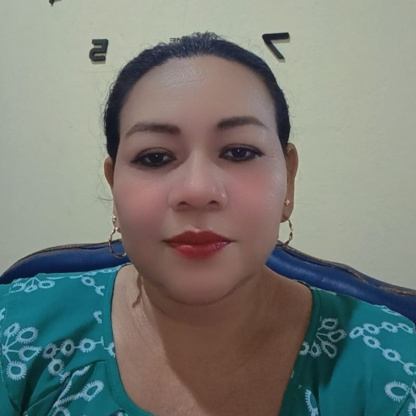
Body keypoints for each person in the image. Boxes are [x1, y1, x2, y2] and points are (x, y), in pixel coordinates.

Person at [0, 32, 415, 416]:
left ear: (288, 179)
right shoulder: (14, 330)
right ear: (113, 185)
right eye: (155, 157)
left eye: (238, 152)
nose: (197, 190)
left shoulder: (394, 369)